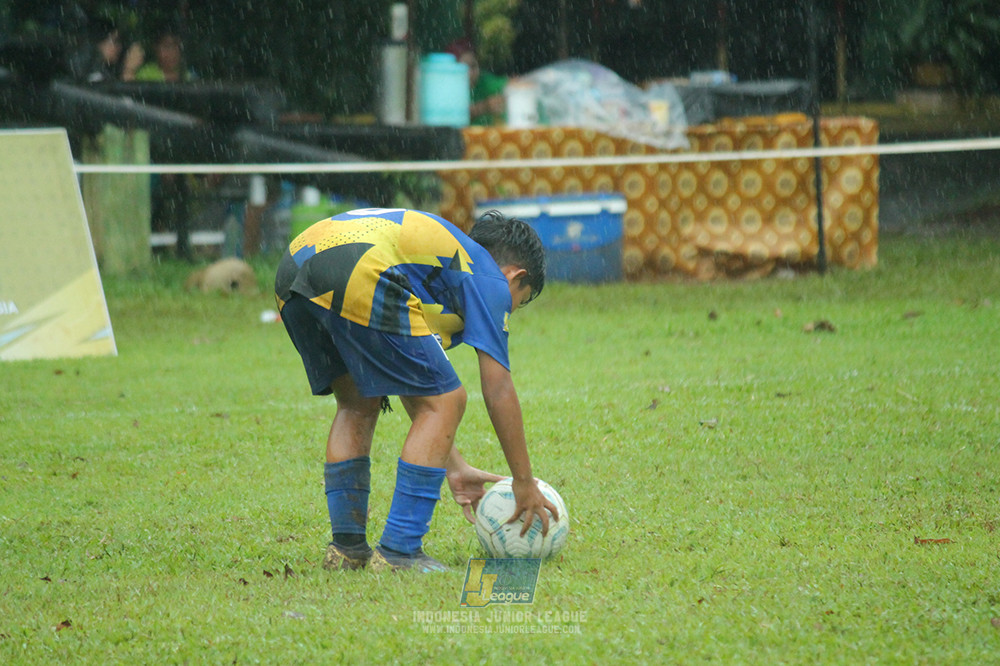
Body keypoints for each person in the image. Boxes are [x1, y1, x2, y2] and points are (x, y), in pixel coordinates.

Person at [274, 207, 557, 572]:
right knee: (448, 399)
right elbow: (498, 388)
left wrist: (454, 466)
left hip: (295, 266)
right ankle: (400, 551)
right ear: (515, 276)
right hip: (358, 265)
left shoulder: (436, 263)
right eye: (520, 299)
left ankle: (347, 549)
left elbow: (413, 380)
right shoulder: (488, 277)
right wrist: (523, 481)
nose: (510, 310)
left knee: (357, 404)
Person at [446, 38, 507, 126]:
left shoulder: (484, 81)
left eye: (473, 66)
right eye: (463, 68)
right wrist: (483, 107)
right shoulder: (445, 91)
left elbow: (511, 84)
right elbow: (450, 118)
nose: (470, 73)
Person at [70, 16, 144, 83]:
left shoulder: (98, 70)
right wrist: (129, 70)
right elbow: (117, 97)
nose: (119, 47)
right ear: (99, 43)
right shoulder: (93, 75)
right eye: (115, 41)